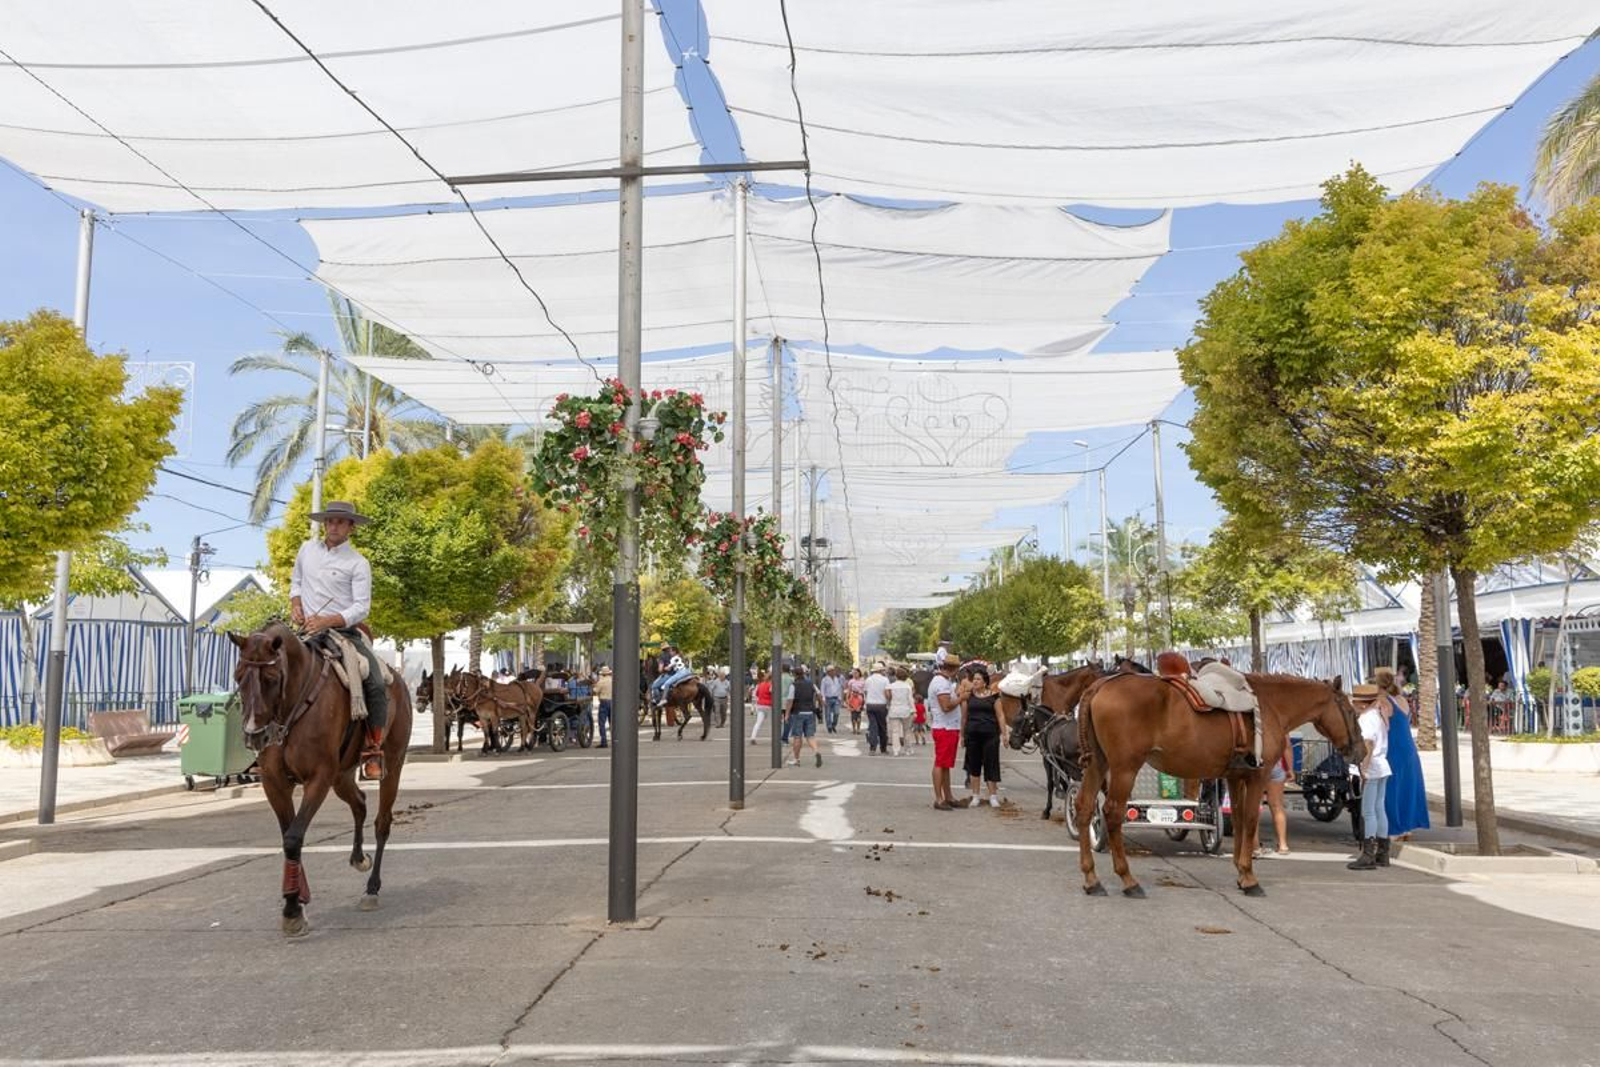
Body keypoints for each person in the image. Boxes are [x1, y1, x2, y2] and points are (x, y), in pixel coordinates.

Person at [290, 500, 388, 781]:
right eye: (330, 520)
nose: (333, 525)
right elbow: (296, 582)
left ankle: (373, 747)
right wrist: (295, 605)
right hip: (306, 632)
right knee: (269, 667)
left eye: (340, 522)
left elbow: (361, 607)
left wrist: (327, 620)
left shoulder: (358, 563)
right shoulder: (306, 550)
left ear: (351, 528)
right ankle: (268, 740)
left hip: (343, 633)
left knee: (376, 681)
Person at [1376, 666, 1430, 840]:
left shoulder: (1383, 701)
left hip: (1393, 748)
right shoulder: (1401, 699)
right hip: (1408, 748)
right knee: (1407, 786)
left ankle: (1394, 829)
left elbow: (1384, 725)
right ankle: (1407, 827)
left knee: (1390, 788)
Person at [1348, 682, 1394, 870]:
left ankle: (1368, 854)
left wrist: (1363, 770)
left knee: (1368, 812)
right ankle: (1383, 853)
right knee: (1379, 808)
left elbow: (1368, 744)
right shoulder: (1378, 716)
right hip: (1382, 765)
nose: (1353, 706)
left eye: (1355, 703)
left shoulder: (1366, 719)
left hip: (1372, 767)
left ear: (1362, 704)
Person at [958, 664, 1006, 807]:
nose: (975, 682)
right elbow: (964, 718)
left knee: (991, 764)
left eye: (978, 679)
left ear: (985, 682)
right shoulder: (968, 697)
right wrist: (961, 736)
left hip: (990, 735)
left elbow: (1001, 716)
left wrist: (1005, 734)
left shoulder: (994, 697)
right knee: (974, 766)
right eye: (974, 679)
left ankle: (992, 796)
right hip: (972, 735)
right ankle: (975, 795)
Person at [927, 653, 965, 810]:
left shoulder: (943, 681)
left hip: (947, 726)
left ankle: (948, 796)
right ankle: (939, 798)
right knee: (941, 763)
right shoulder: (941, 684)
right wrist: (961, 698)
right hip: (945, 727)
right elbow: (946, 706)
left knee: (945, 764)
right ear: (953, 668)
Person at [1252, 737, 1294, 857]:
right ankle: (1283, 845)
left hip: (1257, 767)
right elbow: (1287, 746)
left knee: (1254, 807)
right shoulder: (1279, 724)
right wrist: (1290, 769)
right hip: (1276, 767)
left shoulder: (1255, 722)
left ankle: (1255, 846)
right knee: (1277, 806)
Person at [784, 664, 823, 768]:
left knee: (797, 737)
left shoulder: (794, 685)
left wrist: (787, 714)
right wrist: (820, 706)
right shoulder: (811, 683)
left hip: (798, 713)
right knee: (810, 736)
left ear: (794, 674)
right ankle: (816, 752)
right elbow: (819, 694)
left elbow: (790, 700)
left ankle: (797, 760)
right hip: (810, 712)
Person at [886, 666, 915, 755]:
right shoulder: (907, 686)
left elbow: (888, 698)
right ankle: (908, 749)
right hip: (905, 710)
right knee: (907, 731)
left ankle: (896, 750)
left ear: (896, 676)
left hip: (894, 709)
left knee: (895, 731)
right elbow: (910, 699)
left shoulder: (891, 686)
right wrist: (914, 710)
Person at [863, 663, 891, 755]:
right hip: (881, 705)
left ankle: (872, 748)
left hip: (870, 705)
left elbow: (866, 692)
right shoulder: (885, 680)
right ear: (881, 670)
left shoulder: (868, 680)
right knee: (882, 727)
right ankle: (883, 748)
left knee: (873, 726)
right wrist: (889, 700)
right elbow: (887, 693)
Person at [820, 665, 844, 735]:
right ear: (828, 672)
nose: (833, 672)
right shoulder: (824, 680)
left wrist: (840, 697)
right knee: (828, 714)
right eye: (831, 671)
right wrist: (823, 698)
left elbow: (839, 688)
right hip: (828, 698)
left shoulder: (837, 679)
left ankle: (834, 725)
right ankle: (829, 727)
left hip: (836, 698)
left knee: (837, 713)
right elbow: (822, 690)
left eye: (833, 670)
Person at [594, 665, 614, 748]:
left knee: (602, 723)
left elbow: (595, 691)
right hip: (612, 701)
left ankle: (604, 741)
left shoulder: (601, 682)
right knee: (612, 722)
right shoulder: (613, 680)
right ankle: (615, 740)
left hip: (604, 702)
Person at [751, 668, 771, 744]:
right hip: (768, 705)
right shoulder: (770, 685)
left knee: (758, 722)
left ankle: (753, 737)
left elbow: (757, 694)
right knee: (773, 722)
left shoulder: (759, 685)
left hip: (760, 705)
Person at [846, 668, 866, 734]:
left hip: (860, 698)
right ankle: (854, 728)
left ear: (859, 673)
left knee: (859, 714)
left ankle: (858, 728)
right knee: (853, 714)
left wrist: (864, 700)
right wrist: (847, 700)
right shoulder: (851, 681)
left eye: (856, 673)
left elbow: (864, 691)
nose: (855, 674)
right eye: (854, 673)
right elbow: (848, 691)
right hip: (852, 698)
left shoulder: (863, 681)